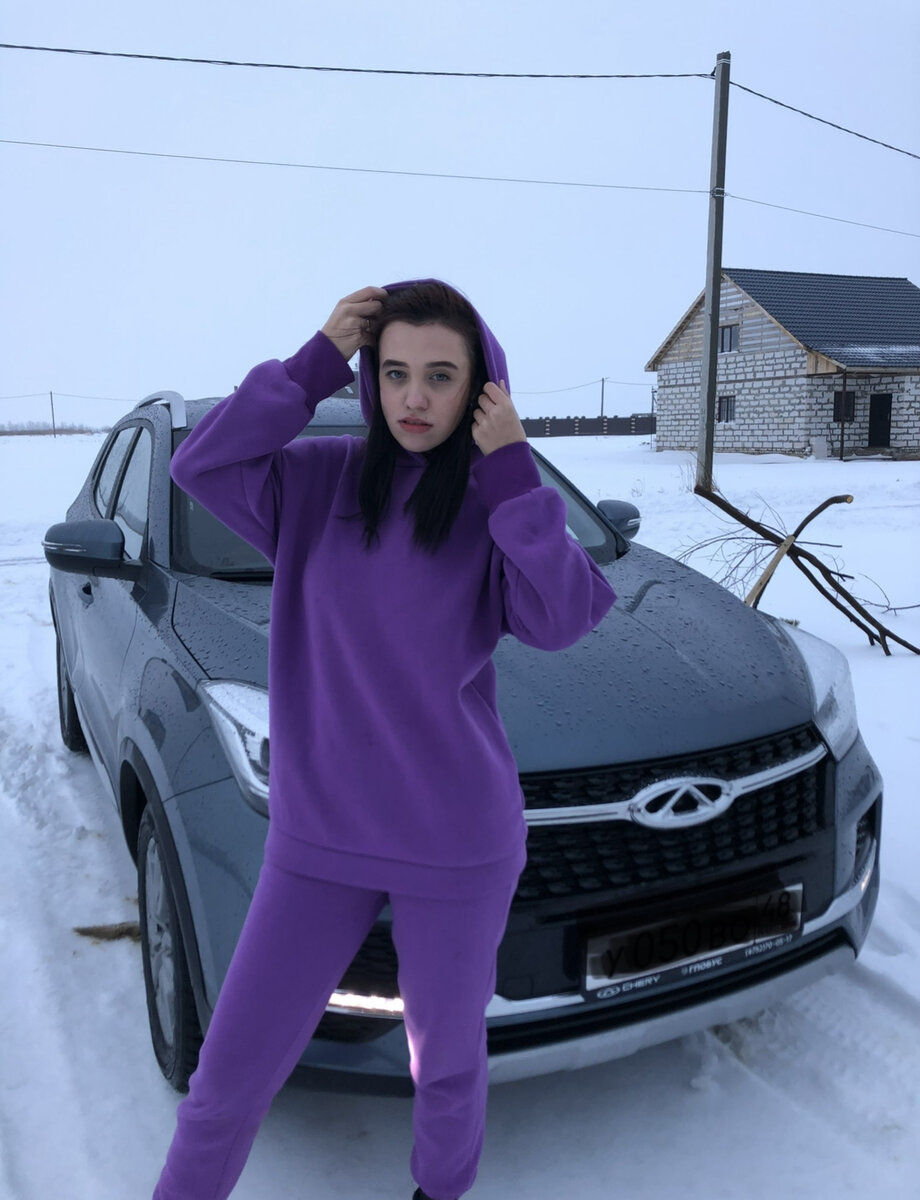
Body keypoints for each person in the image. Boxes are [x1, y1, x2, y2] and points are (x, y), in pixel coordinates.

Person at [153, 279, 616, 1200]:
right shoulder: (315, 482)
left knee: (445, 1067)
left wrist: (512, 471)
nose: (413, 398)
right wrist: (311, 365)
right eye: (394, 372)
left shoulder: (492, 506)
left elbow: (564, 615)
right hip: (318, 836)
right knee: (231, 1072)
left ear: (480, 390)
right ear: (369, 379)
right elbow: (201, 465)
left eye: (441, 377)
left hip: (456, 840)